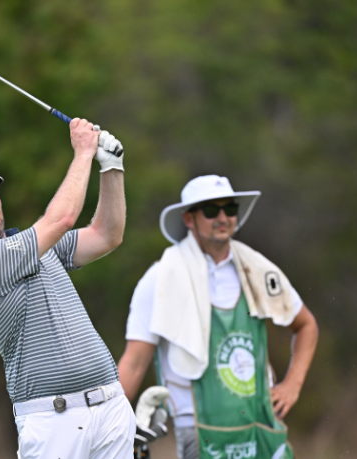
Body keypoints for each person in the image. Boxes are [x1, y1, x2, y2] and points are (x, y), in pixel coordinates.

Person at [0, 119, 136, 459]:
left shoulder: (35, 246)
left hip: (111, 407)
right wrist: (83, 153)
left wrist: (111, 167)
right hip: (53, 422)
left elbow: (107, 235)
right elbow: (62, 219)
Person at [118, 175, 319, 459]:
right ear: (189, 219)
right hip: (198, 433)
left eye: (230, 209)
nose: (223, 217)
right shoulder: (161, 277)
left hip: (259, 425)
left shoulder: (258, 269)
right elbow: (135, 361)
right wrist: (110, 424)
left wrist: (292, 386)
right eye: (212, 210)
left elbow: (306, 325)